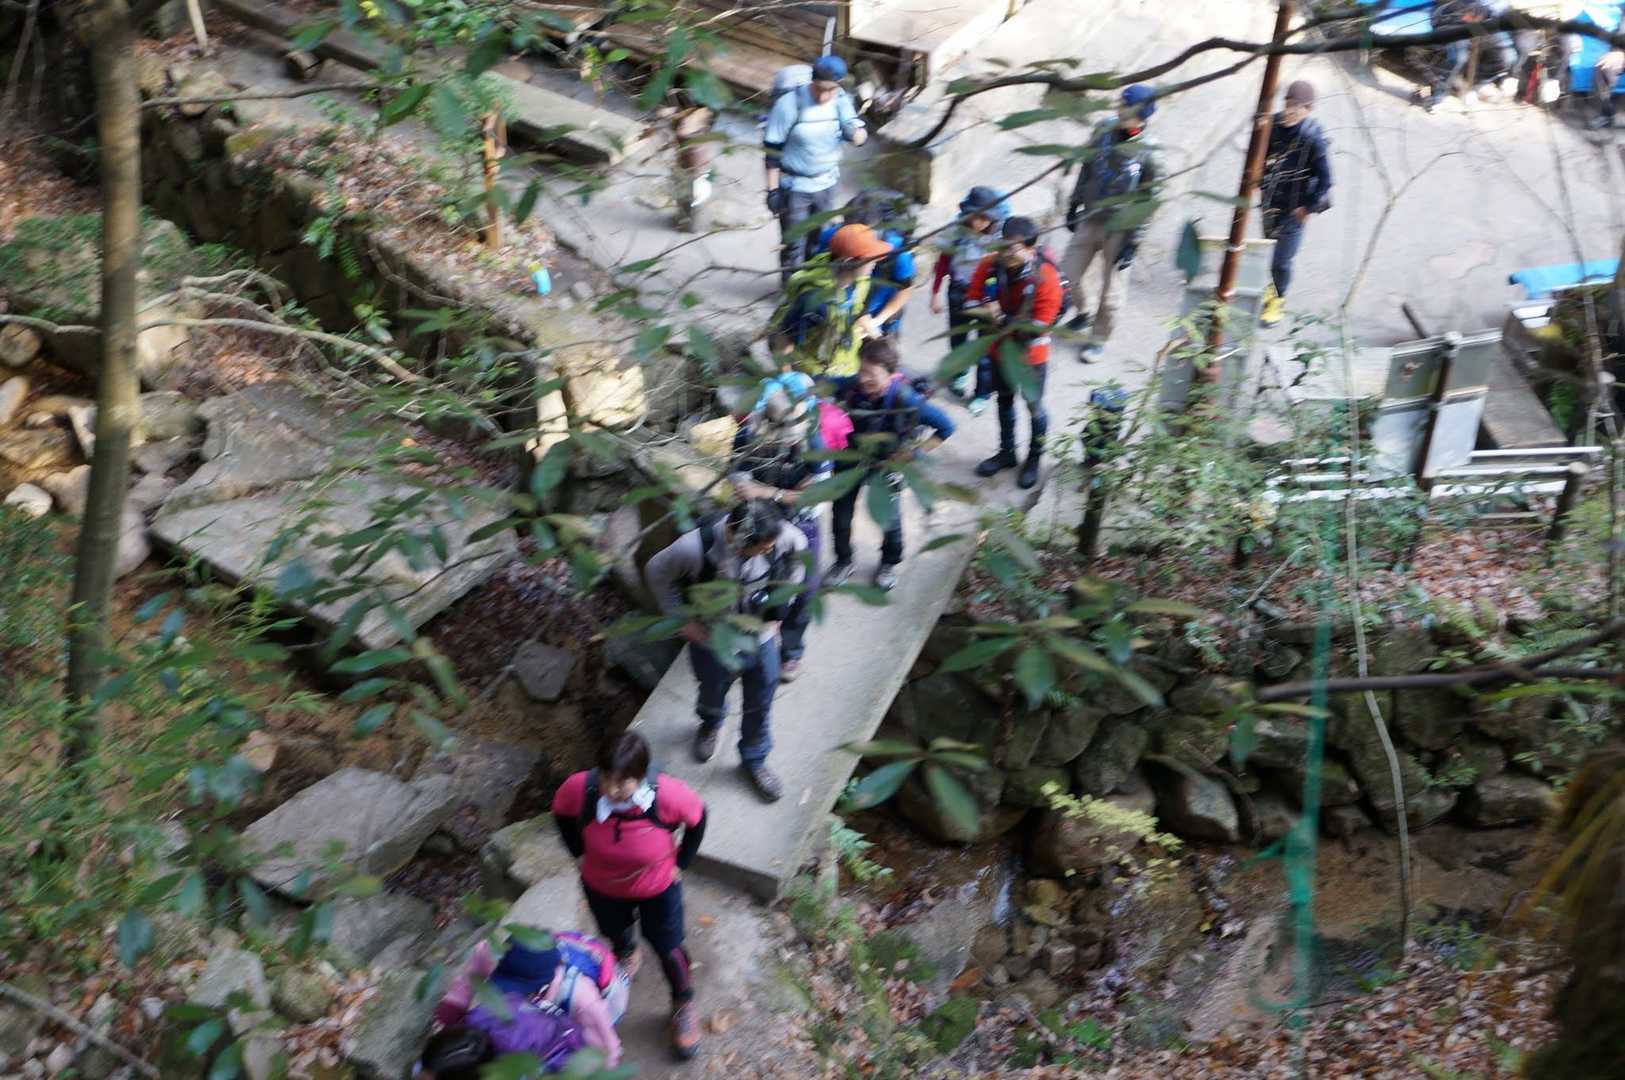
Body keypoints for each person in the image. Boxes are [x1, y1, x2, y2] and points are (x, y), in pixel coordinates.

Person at [551, 732, 708, 1059]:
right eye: (606, 777)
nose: (611, 789)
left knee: (669, 947)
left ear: (640, 776)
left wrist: (681, 863)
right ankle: (627, 954)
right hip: (602, 885)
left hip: (658, 887)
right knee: (614, 930)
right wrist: (578, 852)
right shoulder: (582, 789)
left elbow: (698, 817)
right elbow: (561, 811)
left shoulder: (667, 796)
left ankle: (683, 1002)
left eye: (622, 782)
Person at [642, 500, 808, 800]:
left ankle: (754, 759)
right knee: (712, 687)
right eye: (762, 548)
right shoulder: (693, 549)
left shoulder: (783, 537)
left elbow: (800, 559)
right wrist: (682, 621)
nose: (769, 551)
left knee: (762, 694)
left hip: (759, 636)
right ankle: (711, 724)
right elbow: (656, 571)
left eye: (770, 547)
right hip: (712, 638)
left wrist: (782, 604)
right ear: (734, 536)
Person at [819, 338, 955, 592]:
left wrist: (914, 453)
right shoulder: (852, 387)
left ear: (891, 374)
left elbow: (946, 427)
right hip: (850, 459)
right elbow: (820, 384)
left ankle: (889, 563)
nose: (863, 379)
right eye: (861, 370)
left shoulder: (907, 399)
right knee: (841, 515)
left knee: (889, 519)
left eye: (871, 374)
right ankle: (843, 561)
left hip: (886, 464)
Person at [728, 380, 831, 681]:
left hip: (802, 522)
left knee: (804, 589)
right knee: (746, 579)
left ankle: (791, 651)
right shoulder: (748, 435)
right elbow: (739, 482)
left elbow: (817, 495)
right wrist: (787, 493)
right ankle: (748, 640)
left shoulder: (813, 443)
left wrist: (767, 492)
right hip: (759, 521)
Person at [1061, 83, 1161, 362]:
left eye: (1125, 107)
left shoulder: (1150, 153)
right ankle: (1084, 311)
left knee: (1111, 293)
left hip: (1121, 230)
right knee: (1066, 276)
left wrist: (1134, 241)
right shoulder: (1103, 129)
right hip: (1091, 217)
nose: (1118, 109)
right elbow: (1087, 167)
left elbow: (1149, 201)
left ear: (1140, 116)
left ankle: (1098, 338)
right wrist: (1074, 203)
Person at [431, 931, 630, 1069]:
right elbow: (470, 980)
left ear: (543, 986)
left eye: (518, 991)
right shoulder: (495, 953)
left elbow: (609, 1049)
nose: (506, 997)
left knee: (581, 1036)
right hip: (551, 997)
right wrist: (450, 1015)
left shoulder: (584, 1001)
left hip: (596, 1004)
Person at [968, 217, 1063, 490]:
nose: (1005, 252)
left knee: (1034, 407)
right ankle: (1007, 452)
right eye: (1002, 245)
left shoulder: (1046, 278)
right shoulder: (990, 264)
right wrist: (985, 308)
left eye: (1012, 248)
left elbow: (1038, 327)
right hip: (999, 351)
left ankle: (1034, 459)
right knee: (1004, 400)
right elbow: (971, 299)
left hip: (1031, 357)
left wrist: (1000, 318)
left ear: (1030, 249)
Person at [764, 56, 868, 283]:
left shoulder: (840, 100)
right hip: (795, 187)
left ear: (838, 86)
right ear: (812, 81)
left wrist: (855, 134)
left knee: (819, 241)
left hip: (826, 184)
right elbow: (772, 150)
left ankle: (811, 290)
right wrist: (772, 190)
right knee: (793, 245)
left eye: (830, 90)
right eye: (819, 89)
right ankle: (790, 293)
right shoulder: (790, 104)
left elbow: (858, 132)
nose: (823, 96)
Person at [1257, 80, 1333, 328]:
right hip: (1270, 203)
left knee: (1281, 260)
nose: (1291, 111)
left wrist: (1306, 208)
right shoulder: (1273, 126)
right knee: (1270, 250)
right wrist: (1260, 183)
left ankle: (1278, 300)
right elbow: (1259, 156)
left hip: (1294, 211)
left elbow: (1326, 180)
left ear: (1308, 110)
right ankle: (1271, 288)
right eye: (1288, 104)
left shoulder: (1313, 139)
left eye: (1298, 107)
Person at [771, 222, 893, 376]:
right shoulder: (814, 300)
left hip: (844, 364)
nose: (876, 262)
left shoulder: (859, 281)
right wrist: (788, 379)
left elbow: (856, 310)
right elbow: (783, 341)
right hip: (812, 372)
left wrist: (877, 337)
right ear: (848, 262)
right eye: (871, 258)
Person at [931, 186, 1010, 415]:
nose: (978, 223)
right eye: (975, 217)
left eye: (984, 218)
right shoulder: (956, 231)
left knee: (985, 349)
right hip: (959, 291)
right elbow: (943, 262)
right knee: (958, 338)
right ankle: (960, 372)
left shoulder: (1001, 237)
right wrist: (935, 293)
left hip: (988, 298)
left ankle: (982, 393)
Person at [807, 191, 918, 340]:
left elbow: (905, 289)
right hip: (841, 316)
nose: (855, 236)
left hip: (877, 320)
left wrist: (876, 322)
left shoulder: (897, 251)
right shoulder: (836, 238)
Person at [1425, 0, 1489, 111]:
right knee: (1459, 58)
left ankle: (1466, 86)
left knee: (1484, 45)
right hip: (1447, 21)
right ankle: (1436, 98)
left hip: (1466, 22)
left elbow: (1481, 12)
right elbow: (1446, 12)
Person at [1589, 49, 1624, 130]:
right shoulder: (1617, 65)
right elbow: (1612, 79)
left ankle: (1607, 117)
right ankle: (1607, 117)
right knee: (1606, 97)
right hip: (1603, 71)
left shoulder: (1619, 55)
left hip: (1602, 68)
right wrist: (1611, 86)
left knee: (1608, 96)